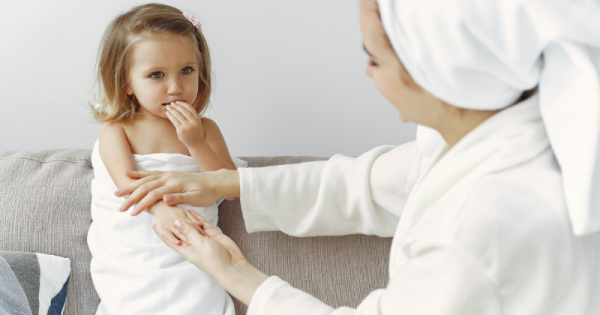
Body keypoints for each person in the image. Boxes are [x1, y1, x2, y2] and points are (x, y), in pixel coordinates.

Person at [116, 0, 600, 313]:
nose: (366, 74)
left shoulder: (477, 232)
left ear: (431, 73)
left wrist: (235, 274)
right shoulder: (501, 133)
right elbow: (368, 183)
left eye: (373, 58)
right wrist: (233, 183)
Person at [87, 3, 243, 315]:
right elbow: (127, 184)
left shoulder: (206, 130)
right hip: (138, 262)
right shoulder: (117, 130)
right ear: (126, 83)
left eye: (187, 70)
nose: (175, 88)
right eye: (156, 75)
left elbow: (230, 187)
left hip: (190, 262)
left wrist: (195, 142)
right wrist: (161, 211)